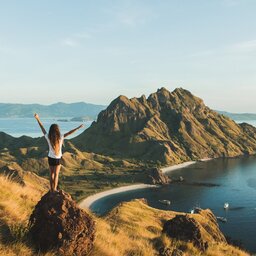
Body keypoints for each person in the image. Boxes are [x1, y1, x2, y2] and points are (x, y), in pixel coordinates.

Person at [34, 113, 84, 192]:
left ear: (51, 130)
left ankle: (52, 189)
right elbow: (70, 132)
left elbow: (42, 128)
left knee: (51, 174)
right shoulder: (61, 137)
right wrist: (78, 128)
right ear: (57, 130)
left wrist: (37, 118)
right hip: (58, 158)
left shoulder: (48, 137)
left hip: (50, 158)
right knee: (56, 174)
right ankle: (55, 189)